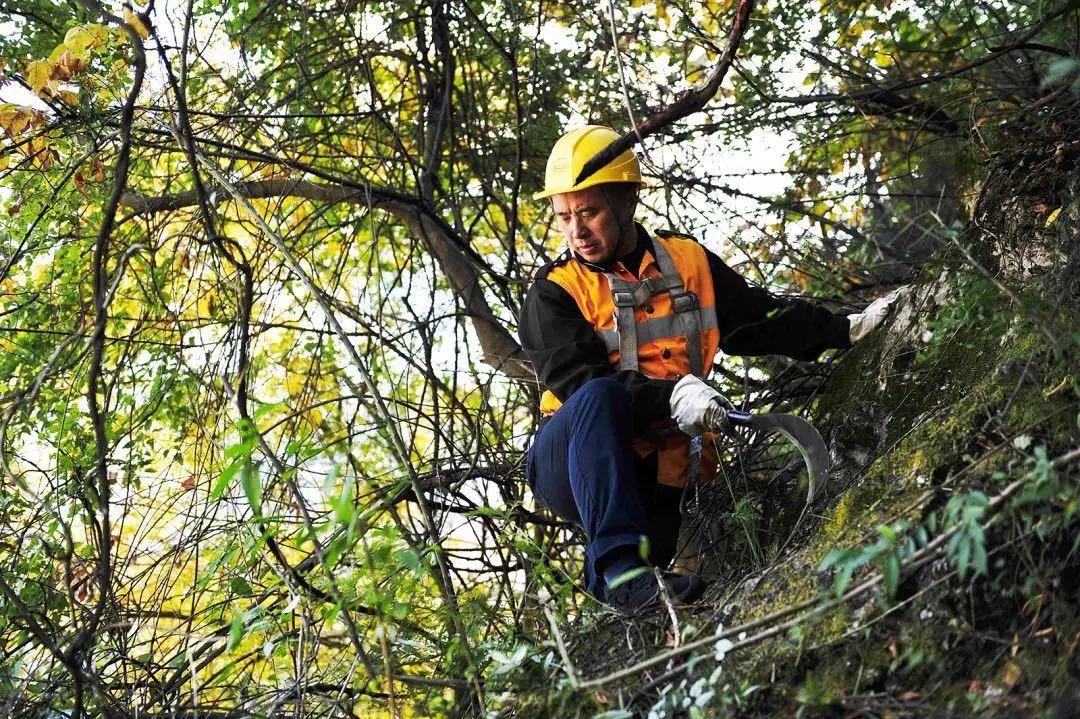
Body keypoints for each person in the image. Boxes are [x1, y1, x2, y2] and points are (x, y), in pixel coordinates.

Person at [518, 125, 901, 612]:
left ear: (627, 201)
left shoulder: (687, 261)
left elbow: (759, 320)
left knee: (658, 591)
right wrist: (673, 395)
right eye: (564, 216)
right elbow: (581, 383)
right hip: (570, 462)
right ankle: (613, 572)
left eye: (588, 212)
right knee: (598, 397)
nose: (576, 231)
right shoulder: (554, 291)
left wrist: (843, 329)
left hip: (662, 469)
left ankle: (639, 593)